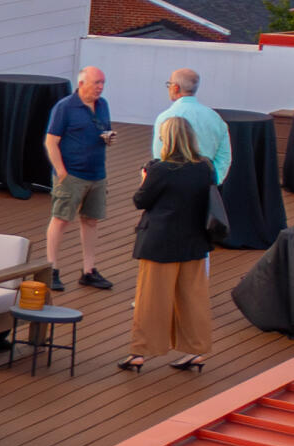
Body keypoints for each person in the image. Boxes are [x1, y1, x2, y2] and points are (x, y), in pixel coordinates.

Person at [126, 117, 217, 373]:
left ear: (168, 139)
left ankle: (140, 353)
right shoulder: (204, 168)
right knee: (193, 299)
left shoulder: (160, 170)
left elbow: (141, 200)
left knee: (152, 300)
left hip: (160, 242)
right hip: (194, 240)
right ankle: (196, 351)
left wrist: (145, 178)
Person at [42, 66, 114, 292]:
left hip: (97, 174)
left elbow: (103, 131)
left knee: (91, 220)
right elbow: (51, 141)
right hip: (72, 174)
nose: (100, 87)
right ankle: (51, 270)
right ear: (82, 84)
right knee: (61, 219)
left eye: (102, 83)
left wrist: (108, 138)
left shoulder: (103, 106)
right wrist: (62, 173)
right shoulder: (65, 107)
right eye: (96, 83)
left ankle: (89, 271)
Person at [155, 68, 232, 186]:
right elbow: (224, 156)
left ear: (175, 87)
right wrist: (215, 179)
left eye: (169, 84)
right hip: (204, 184)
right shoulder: (215, 118)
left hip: (173, 184)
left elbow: (159, 157)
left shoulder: (165, 118)